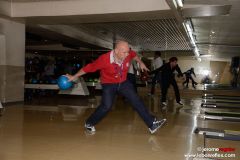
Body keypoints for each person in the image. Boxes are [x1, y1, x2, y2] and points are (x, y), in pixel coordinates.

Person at [66, 40, 166, 134]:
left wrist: (141, 62)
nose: (127, 55)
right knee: (106, 106)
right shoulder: (104, 59)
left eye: (127, 51)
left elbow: (134, 55)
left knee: (136, 100)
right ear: (116, 51)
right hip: (108, 84)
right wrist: (73, 76)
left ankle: (152, 124)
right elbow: (88, 68)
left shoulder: (127, 53)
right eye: (124, 52)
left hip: (123, 82)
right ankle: (89, 123)